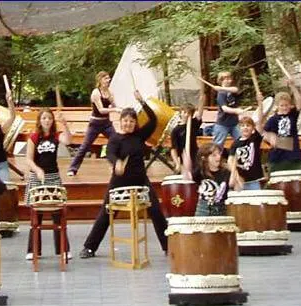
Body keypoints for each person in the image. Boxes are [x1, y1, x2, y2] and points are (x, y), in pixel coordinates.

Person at [80, 90, 168, 258]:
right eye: (125, 121)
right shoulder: (115, 138)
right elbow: (111, 153)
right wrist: (117, 162)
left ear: (135, 123)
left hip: (141, 180)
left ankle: (167, 245)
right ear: (120, 122)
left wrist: (142, 102)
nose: (128, 124)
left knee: (156, 211)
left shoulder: (140, 136)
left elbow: (154, 120)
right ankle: (89, 247)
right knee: (106, 212)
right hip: (119, 181)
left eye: (131, 121)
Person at [24, 108, 73, 260]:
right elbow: (28, 159)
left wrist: (65, 125)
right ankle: (33, 250)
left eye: (49, 118)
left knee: (57, 214)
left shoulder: (56, 136)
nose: (47, 120)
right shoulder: (34, 137)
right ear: (39, 120)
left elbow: (68, 141)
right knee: (36, 215)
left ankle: (63, 249)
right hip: (37, 178)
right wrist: (37, 170)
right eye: (44, 118)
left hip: (53, 177)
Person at [67, 71, 120, 176]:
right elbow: (101, 110)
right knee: (85, 146)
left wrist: (114, 103)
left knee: (117, 141)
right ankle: (72, 168)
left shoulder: (110, 92)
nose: (108, 80)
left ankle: (116, 166)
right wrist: (115, 109)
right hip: (95, 123)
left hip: (106, 123)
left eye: (109, 78)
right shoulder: (96, 93)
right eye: (105, 78)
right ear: (100, 80)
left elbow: (114, 105)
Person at [229, 91, 271, 191]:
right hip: (240, 181)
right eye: (243, 126)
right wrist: (235, 175)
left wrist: (260, 103)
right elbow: (231, 160)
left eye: (248, 125)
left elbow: (260, 121)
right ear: (239, 128)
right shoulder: (235, 143)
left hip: (254, 180)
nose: (245, 128)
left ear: (252, 128)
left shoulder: (254, 139)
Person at [263, 79, 301, 173]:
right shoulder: (273, 119)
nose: (285, 108)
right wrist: (270, 138)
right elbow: (264, 133)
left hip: (293, 155)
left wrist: (293, 87)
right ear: (277, 106)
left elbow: (300, 103)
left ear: (290, 105)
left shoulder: (292, 115)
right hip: (278, 156)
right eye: (282, 105)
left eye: (287, 105)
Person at [182, 142, 233, 216]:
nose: (218, 157)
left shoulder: (226, 172)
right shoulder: (200, 171)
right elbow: (187, 179)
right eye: (214, 155)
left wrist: (234, 171)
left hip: (221, 209)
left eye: (219, 154)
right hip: (203, 209)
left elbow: (236, 186)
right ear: (204, 158)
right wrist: (186, 167)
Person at [170, 92, 205, 174]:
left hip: (195, 155)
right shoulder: (176, 130)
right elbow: (173, 149)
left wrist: (201, 102)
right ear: (180, 113)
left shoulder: (193, 124)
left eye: (189, 114)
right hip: (183, 157)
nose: (186, 115)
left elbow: (199, 114)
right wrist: (177, 163)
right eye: (184, 112)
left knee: (196, 173)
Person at [212, 71, 246, 146]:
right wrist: (236, 110)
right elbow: (225, 109)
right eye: (226, 79)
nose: (229, 81)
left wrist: (221, 88)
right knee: (218, 145)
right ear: (221, 81)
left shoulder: (232, 91)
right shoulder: (221, 94)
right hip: (222, 124)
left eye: (229, 79)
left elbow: (236, 89)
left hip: (234, 123)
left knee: (242, 141)